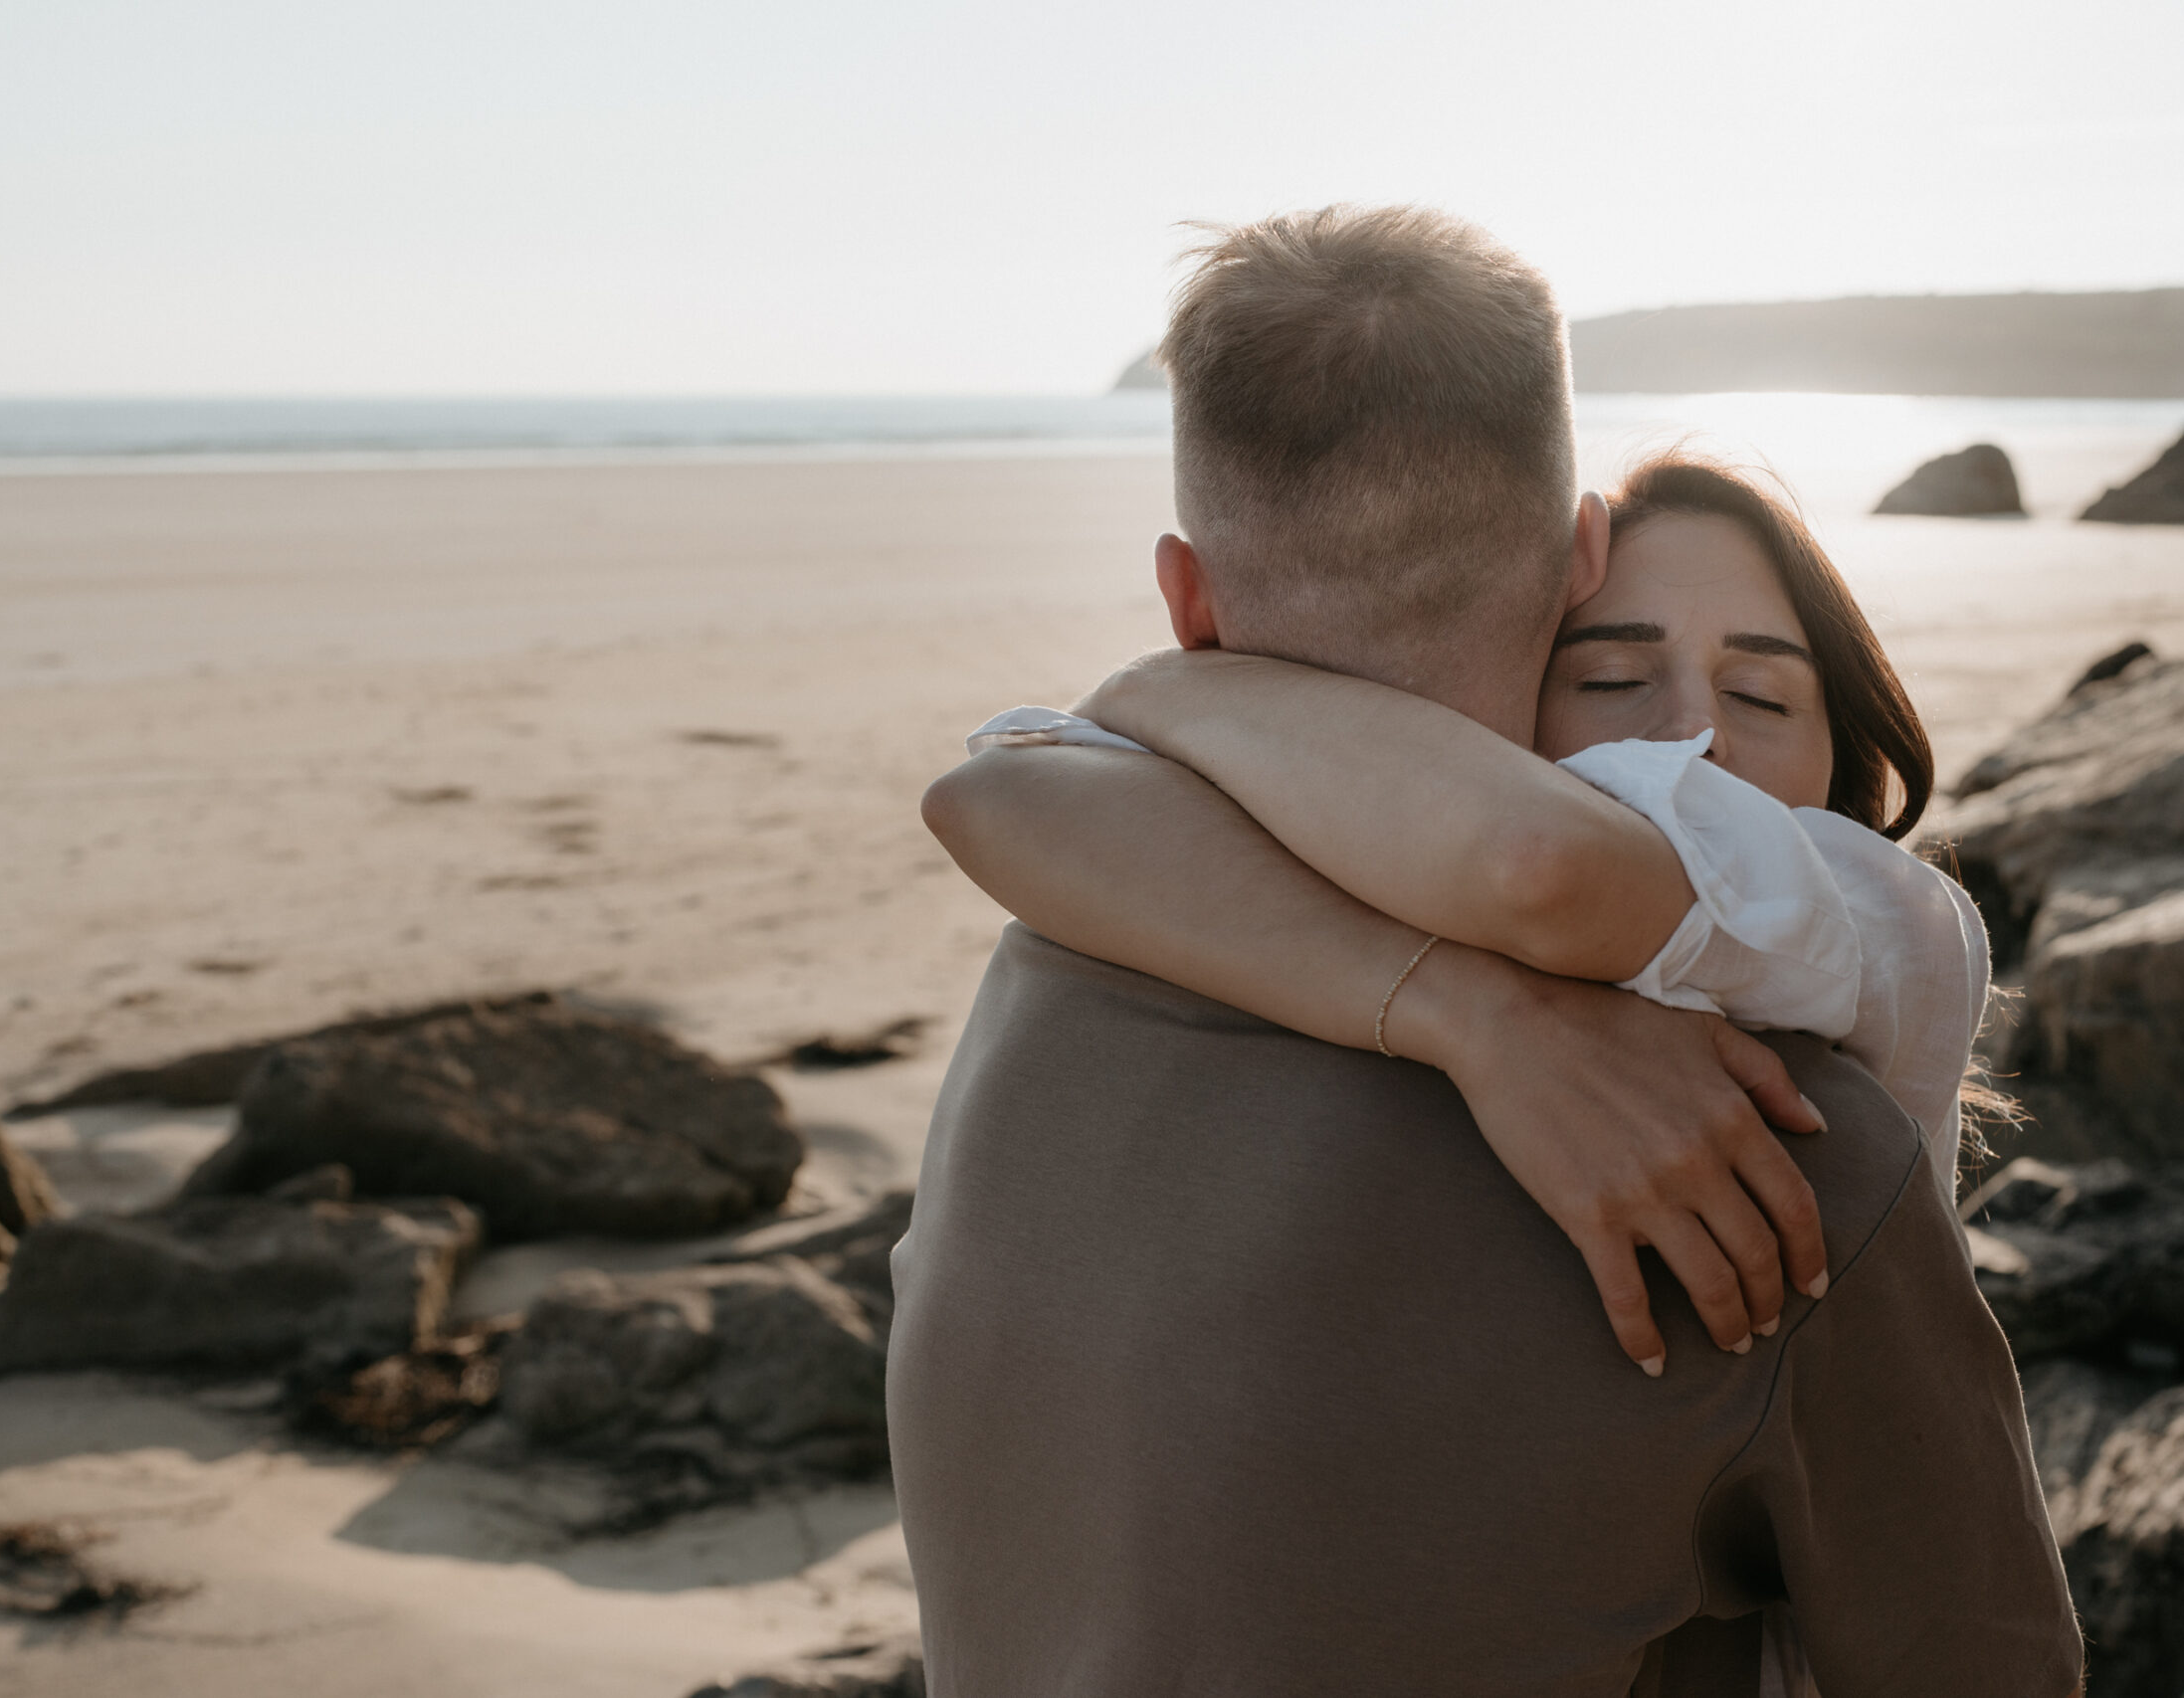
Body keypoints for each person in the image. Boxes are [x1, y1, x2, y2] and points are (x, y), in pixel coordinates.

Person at [888, 204, 2080, 1696]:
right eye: (1619, 671)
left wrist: (1168, 700)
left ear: (1188, 596)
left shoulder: (1047, 980)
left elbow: (989, 788)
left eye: (1755, 698)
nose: (1683, 746)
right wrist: (1474, 1013)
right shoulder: (1764, 1165)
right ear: (1575, 558)